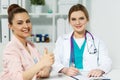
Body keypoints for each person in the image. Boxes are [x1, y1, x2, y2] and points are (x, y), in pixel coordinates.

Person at [52, 4, 112, 77]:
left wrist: (100, 70)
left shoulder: (97, 41)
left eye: (81, 18)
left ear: (87, 19)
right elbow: (54, 61)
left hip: (90, 77)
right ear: (69, 21)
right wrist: (65, 70)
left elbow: (107, 62)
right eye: (73, 19)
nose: (77, 23)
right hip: (68, 77)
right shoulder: (62, 40)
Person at [0, 4, 54, 80]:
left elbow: (46, 65)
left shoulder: (31, 46)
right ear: (10, 26)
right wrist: (42, 64)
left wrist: (46, 70)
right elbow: (18, 78)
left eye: (28, 21)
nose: (26, 26)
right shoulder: (11, 49)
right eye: (20, 23)